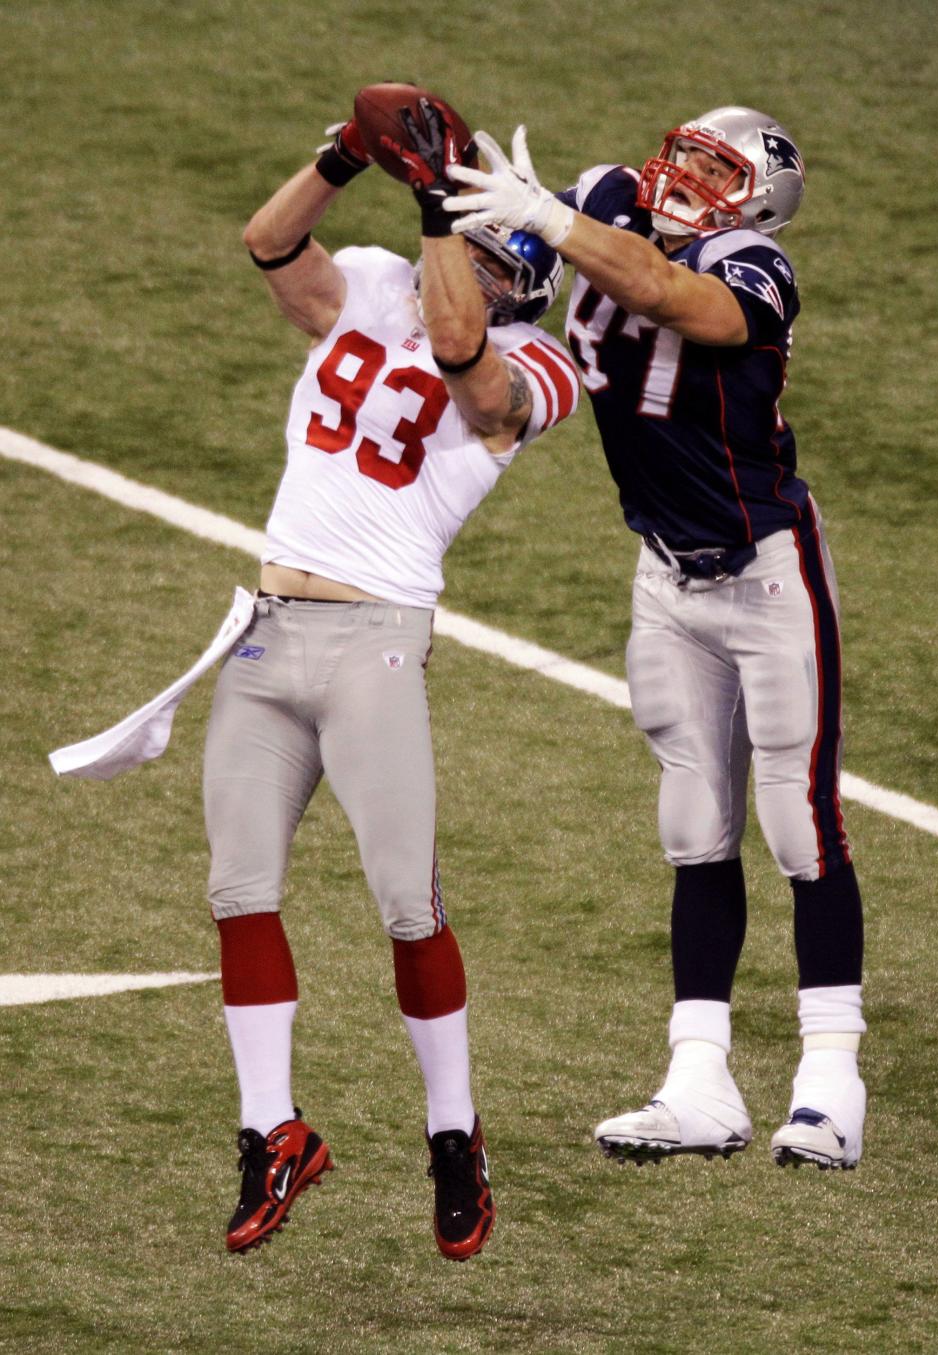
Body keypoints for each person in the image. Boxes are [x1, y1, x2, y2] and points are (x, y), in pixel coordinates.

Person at [445, 108, 866, 1171]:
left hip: (768, 569)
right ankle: (699, 1077)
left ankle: (830, 1081)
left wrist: (557, 220)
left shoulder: (756, 263)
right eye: (683, 154)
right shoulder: (606, 196)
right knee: (694, 821)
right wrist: (457, 216)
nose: (680, 177)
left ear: (757, 198)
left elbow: (680, 302)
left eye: (715, 170)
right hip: (666, 572)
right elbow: (516, 291)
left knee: (800, 824)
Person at [211, 98, 579, 1260]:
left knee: (406, 902)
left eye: (471, 252)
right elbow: (271, 246)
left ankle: (453, 1130)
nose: (442, 269)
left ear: (508, 274)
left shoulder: (538, 365)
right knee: (239, 889)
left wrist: (433, 207)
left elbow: (470, 370)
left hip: (377, 638)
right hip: (269, 626)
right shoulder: (374, 281)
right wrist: (338, 159)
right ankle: (271, 1129)